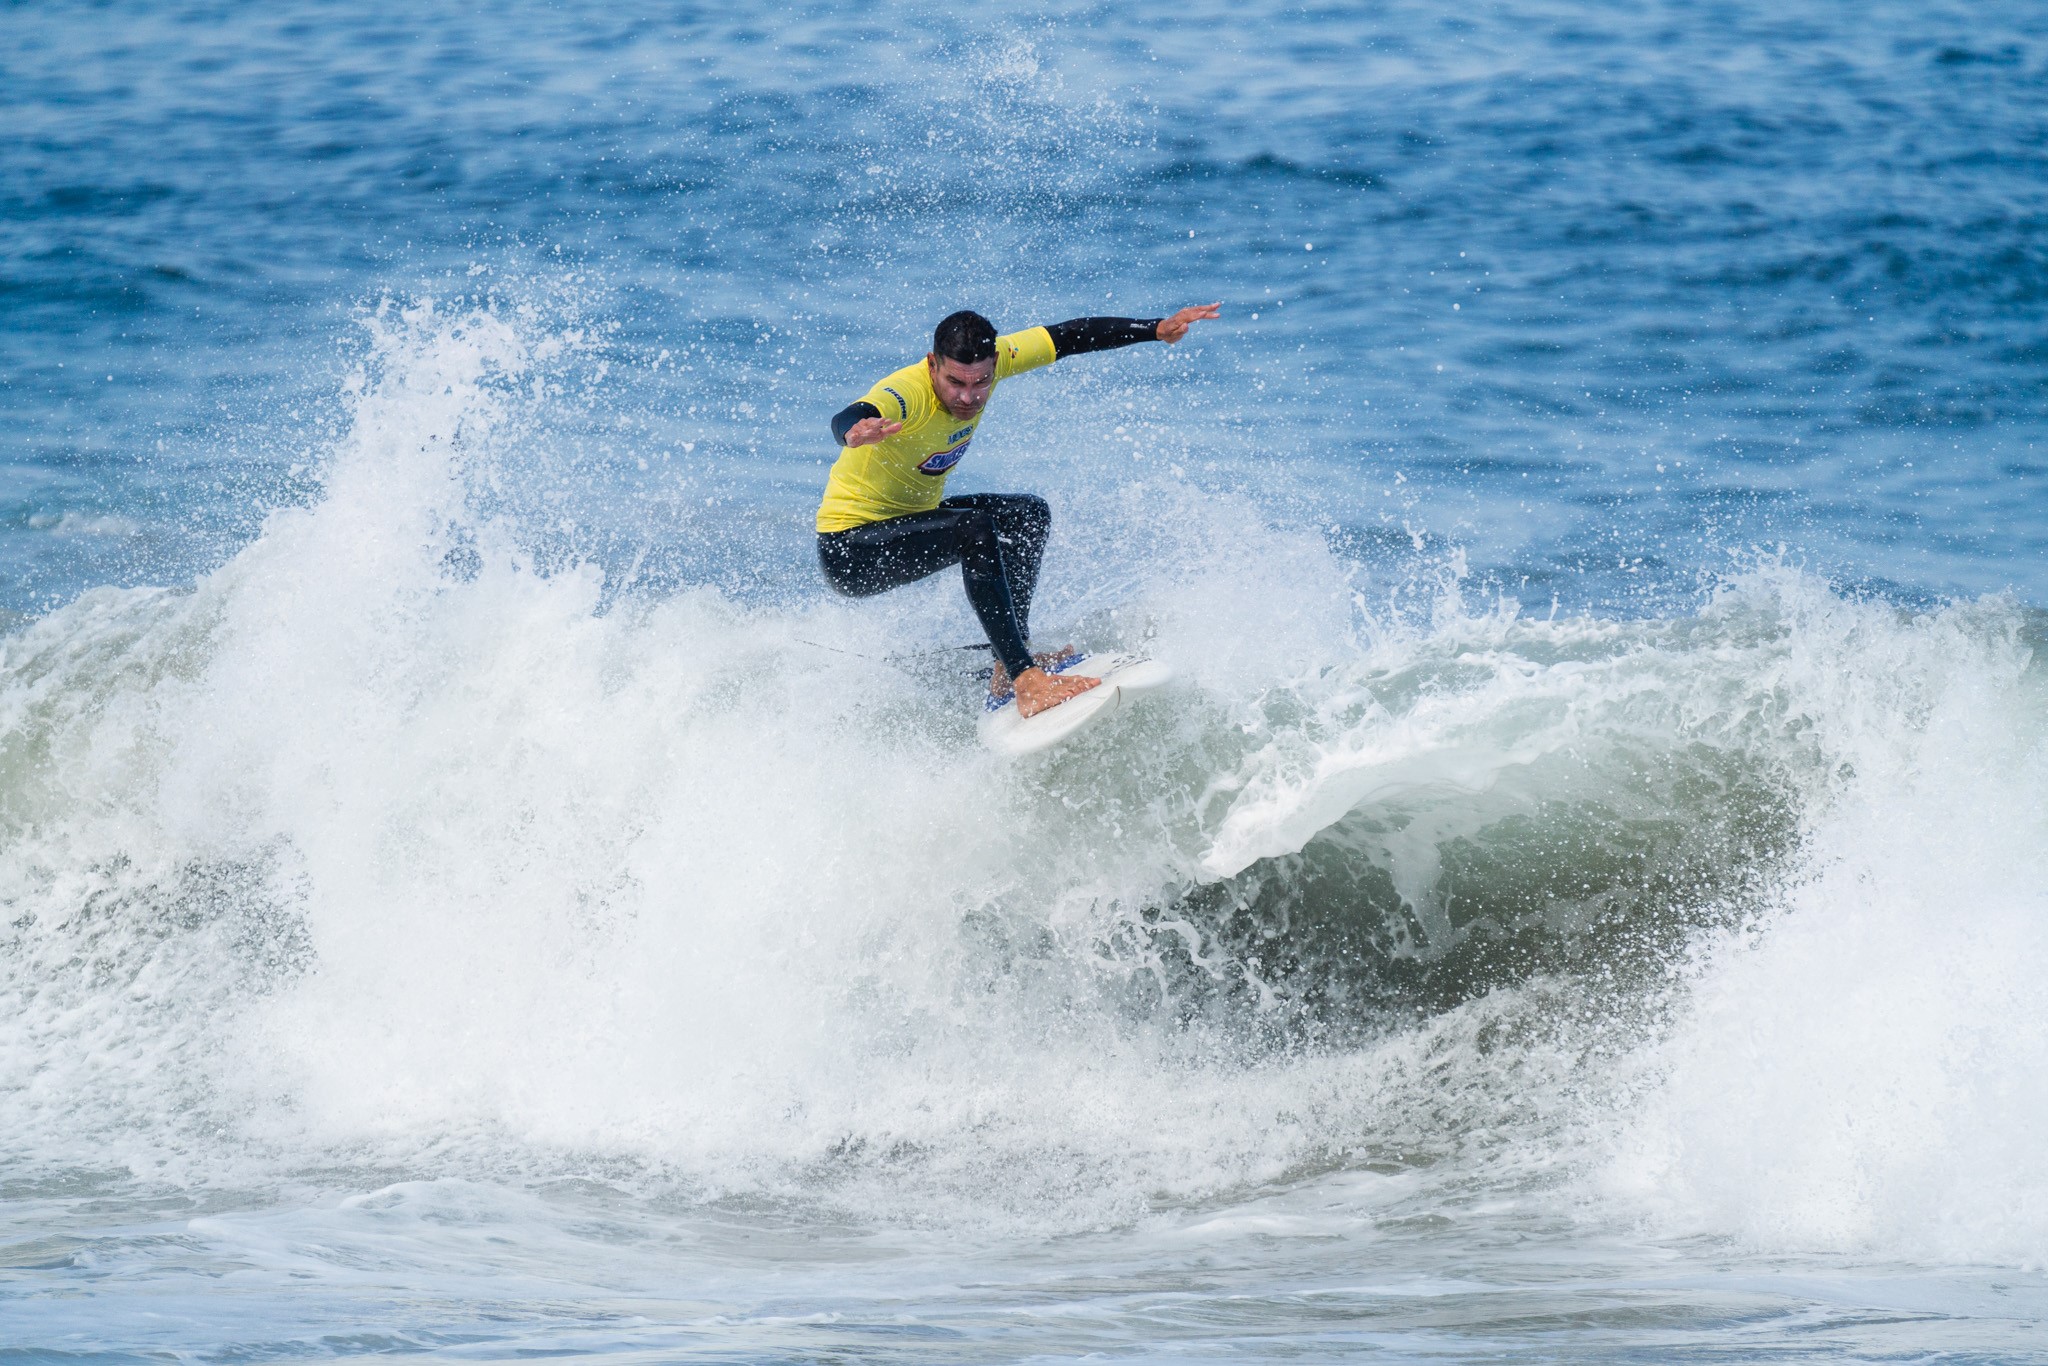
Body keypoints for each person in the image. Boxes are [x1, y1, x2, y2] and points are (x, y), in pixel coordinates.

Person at [817, 302, 1221, 717]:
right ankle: (1026, 679)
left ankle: (1008, 663)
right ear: (932, 364)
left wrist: (1155, 328)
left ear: (995, 363)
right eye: (955, 382)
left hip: (907, 523)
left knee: (1027, 515)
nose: (969, 397)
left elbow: (1069, 335)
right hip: (851, 549)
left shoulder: (996, 361)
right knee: (974, 529)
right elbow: (853, 414)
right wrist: (853, 429)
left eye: (981, 383)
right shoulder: (906, 394)